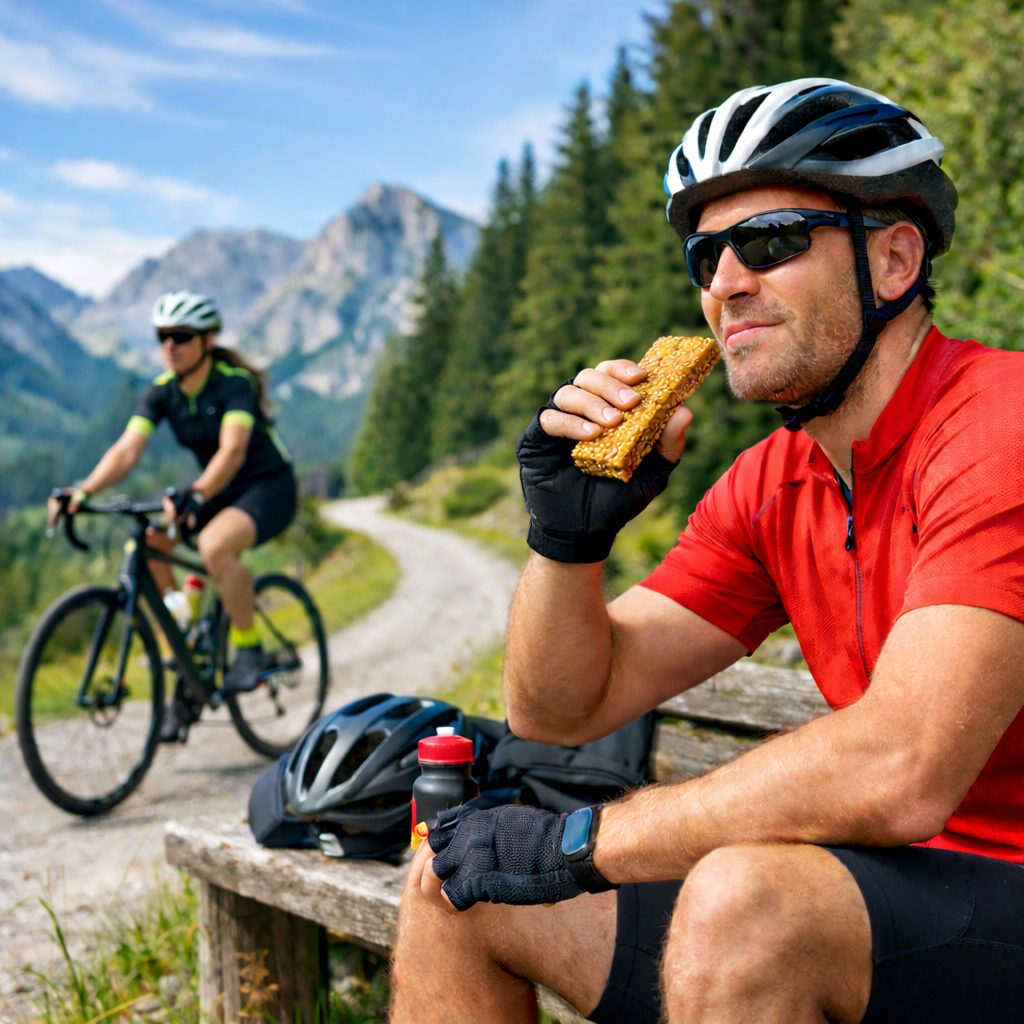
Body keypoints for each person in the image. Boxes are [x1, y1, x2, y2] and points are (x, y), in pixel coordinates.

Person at [390, 79, 1024, 1024]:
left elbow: (901, 769)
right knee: (455, 880)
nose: (725, 282)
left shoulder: (997, 424)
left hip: (983, 885)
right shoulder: (778, 480)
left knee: (746, 906)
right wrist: (568, 539)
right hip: (893, 897)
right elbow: (561, 709)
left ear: (894, 261)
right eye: (706, 253)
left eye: (769, 241)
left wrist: (578, 841)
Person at [60, 291, 297, 722]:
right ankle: (183, 651)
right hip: (216, 490)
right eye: (162, 336)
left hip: (268, 485)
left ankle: (250, 651)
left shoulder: (233, 385)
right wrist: (83, 491)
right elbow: (126, 451)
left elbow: (233, 451)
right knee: (148, 544)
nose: (170, 345)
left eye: (182, 336)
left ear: (207, 340)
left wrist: (199, 492)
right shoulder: (162, 392)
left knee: (214, 546)